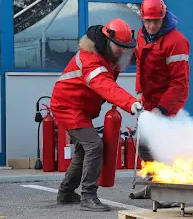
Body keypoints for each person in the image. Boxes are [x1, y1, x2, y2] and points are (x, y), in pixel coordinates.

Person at [50, 18, 143, 212]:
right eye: (120, 47)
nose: (123, 52)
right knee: (94, 146)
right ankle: (88, 196)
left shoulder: (108, 57)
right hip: (68, 107)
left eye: (126, 48)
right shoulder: (91, 59)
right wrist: (130, 102)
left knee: (83, 151)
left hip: (78, 108)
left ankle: (66, 193)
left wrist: (120, 100)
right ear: (107, 41)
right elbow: (104, 84)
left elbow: (106, 85)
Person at [129, 0, 190, 206]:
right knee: (144, 144)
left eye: (155, 21)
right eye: (147, 21)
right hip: (149, 99)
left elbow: (180, 84)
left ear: (163, 17)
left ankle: (171, 194)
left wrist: (161, 109)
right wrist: (138, 91)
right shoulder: (141, 35)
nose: (151, 25)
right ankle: (155, 185)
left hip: (169, 100)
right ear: (142, 19)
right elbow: (140, 65)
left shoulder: (177, 42)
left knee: (164, 147)